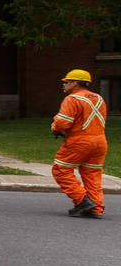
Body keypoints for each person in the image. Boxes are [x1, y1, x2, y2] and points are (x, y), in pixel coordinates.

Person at [51, 69, 107, 219]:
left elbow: (63, 123)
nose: (64, 84)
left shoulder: (72, 99)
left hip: (80, 141)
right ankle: (95, 209)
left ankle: (83, 201)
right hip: (100, 141)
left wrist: (55, 128)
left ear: (75, 83)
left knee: (60, 170)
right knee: (92, 175)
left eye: (66, 82)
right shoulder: (99, 98)